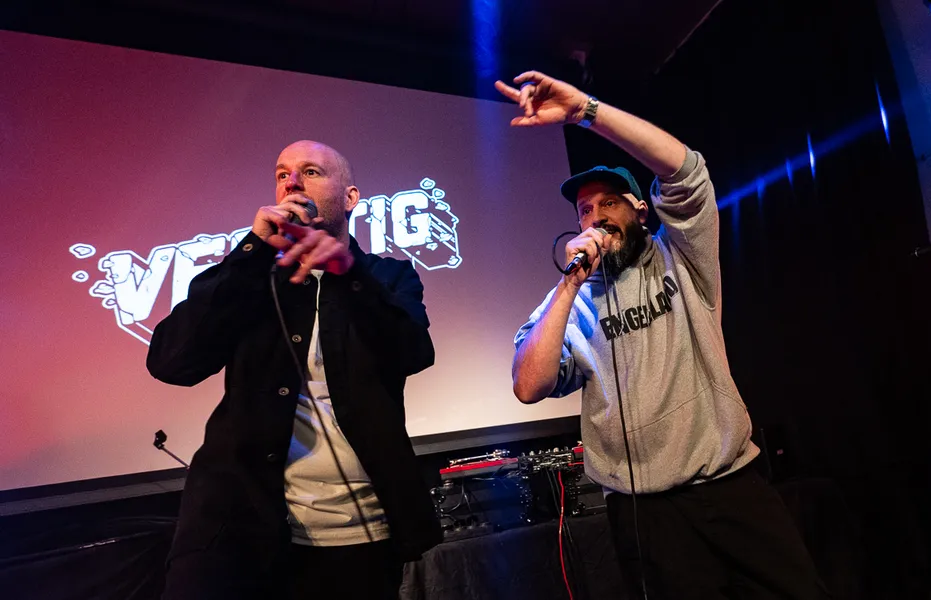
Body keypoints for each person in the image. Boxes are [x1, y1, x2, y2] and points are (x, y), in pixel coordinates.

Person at [501, 72, 832, 599]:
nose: (595, 217)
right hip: (645, 514)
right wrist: (570, 283)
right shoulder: (571, 298)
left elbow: (685, 168)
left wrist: (585, 110)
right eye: (585, 210)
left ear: (640, 209)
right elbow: (528, 384)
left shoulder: (681, 255)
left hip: (729, 486)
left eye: (609, 202)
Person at [147, 140, 440, 600]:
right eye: (282, 173)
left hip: (355, 533)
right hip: (237, 530)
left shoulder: (389, 278)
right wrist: (251, 250)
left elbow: (413, 353)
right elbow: (172, 362)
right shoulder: (251, 277)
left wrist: (348, 275)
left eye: (311, 172)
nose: (292, 182)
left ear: (350, 197)